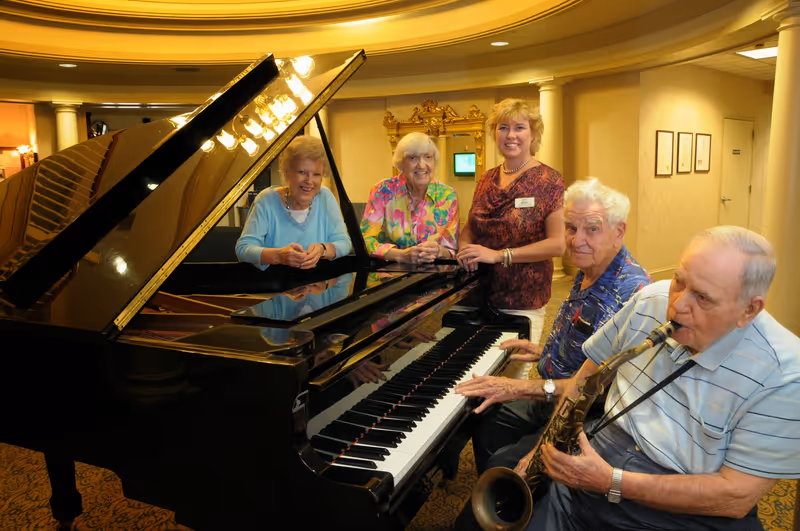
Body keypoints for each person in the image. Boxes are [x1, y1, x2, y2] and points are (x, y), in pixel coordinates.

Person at [519, 226, 800, 531]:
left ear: (749, 309)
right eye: (680, 280)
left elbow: (736, 497)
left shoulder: (786, 375)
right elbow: (587, 374)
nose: (676, 305)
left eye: (703, 298)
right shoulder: (651, 299)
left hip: (681, 502)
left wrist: (611, 481)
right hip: (603, 446)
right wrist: (541, 451)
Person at [455, 178, 651, 475]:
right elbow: (584, 342)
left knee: (504, 463)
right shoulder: (590, 268)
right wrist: (545, 351)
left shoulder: (633, 293)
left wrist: (522, 388)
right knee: (483, 415)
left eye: (592, 229)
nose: (576, 240)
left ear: (619, 231)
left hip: (585, 414)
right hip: (554, 393)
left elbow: (599, 388)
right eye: (571, 228)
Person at [456, 98, 565, 338]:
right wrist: (465, 252)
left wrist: (498, 256)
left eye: (519, 127)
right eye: (502, 127)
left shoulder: (549, 180)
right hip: (476, 293)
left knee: (515, 370)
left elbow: (557, 244)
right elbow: (469, 231)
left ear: (533, 134)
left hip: (521, 299)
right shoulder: (486, 179)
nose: (510, 135)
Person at [236, 136, 352, 270]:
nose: (309, 181)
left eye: (316, 174)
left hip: (317, 286)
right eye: (302, 172)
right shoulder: (266, 200)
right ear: (287, 174)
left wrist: (323, 249)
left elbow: (344, 243)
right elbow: (243, 249)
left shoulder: (325, 197)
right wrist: (279, 256)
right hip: (275, 285)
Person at [361, 132, 459, 264]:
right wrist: (399, 255)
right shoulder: (382, 191)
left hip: (434, 275)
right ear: (401, 164)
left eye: (428, 157)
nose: (422, 165)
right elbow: (365, 241)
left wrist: (439, 251)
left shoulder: (447, 195)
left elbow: (452, 249)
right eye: (413, 158)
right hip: (389, 275)